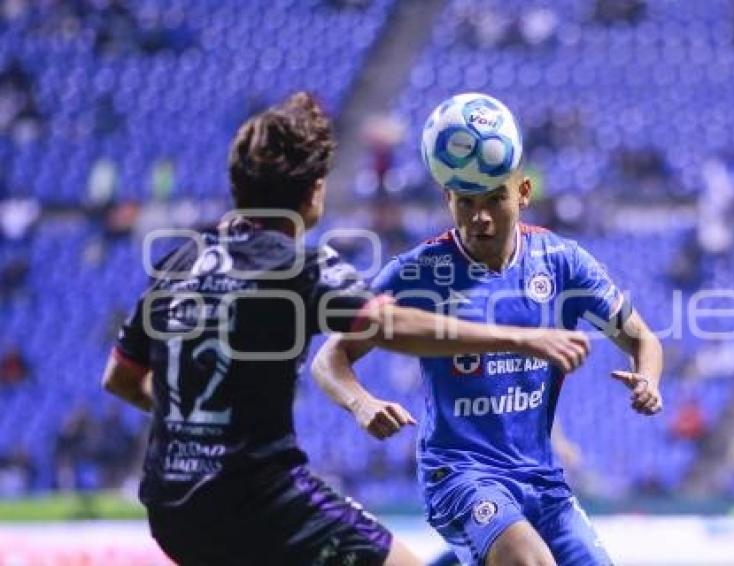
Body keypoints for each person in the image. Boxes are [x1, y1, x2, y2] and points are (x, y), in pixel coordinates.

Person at [100, 92, 592, 566]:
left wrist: (198, 421)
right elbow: (385, 322)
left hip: (171, 506)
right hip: (259, 498)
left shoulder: (177, 263)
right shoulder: (297, 266)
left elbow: (120, 379)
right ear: (315, 192)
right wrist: (521, 337)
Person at [313, 165, 663, 565]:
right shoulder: (419, 272)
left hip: (542, 481)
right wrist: (361, 403)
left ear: (523, 193)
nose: (480, 217)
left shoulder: (561, 262)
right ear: (448, 199)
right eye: (466, 202)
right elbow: (329, 358)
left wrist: (648, 378)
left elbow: (642, 337)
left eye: (495, 199)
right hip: (460, 474)